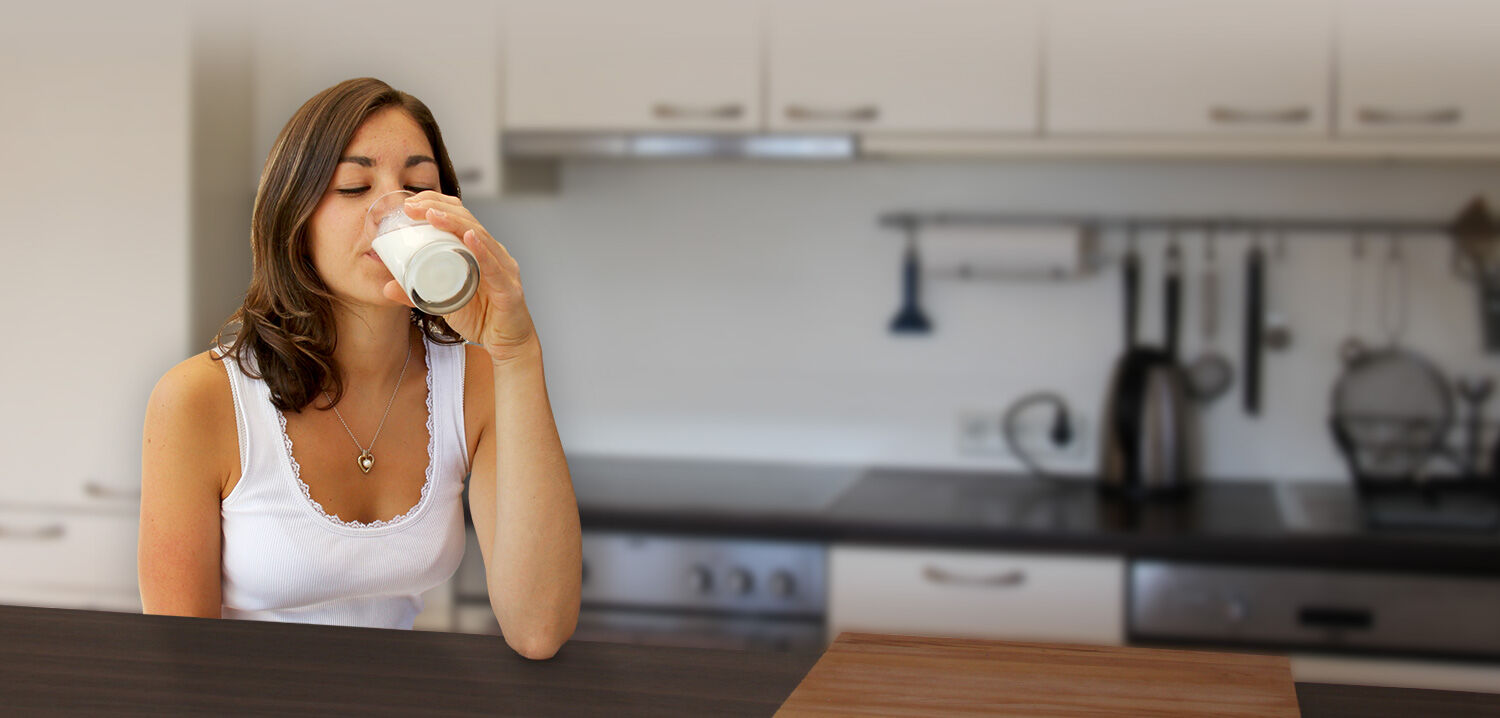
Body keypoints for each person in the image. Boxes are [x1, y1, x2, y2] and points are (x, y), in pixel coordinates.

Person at [138, 77, 580, 660]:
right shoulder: (200, 399)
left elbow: (538, 630)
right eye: (354, 185)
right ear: (296, 216)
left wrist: (517, 353)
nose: (392, 209)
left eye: (418, 185)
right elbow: (177, 662)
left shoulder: (475, 383)